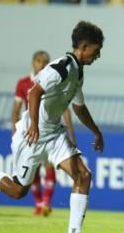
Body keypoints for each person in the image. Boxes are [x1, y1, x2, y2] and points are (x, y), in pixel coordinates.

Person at [0, 21, 106, 233]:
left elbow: (79, 107)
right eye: (97, 51)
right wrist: (34, 125)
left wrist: (96, 131)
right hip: (32, 136)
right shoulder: (61, 67)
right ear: (84, 46)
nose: (98, 56)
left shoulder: (78, 73)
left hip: (55, 134)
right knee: (18, 191)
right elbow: (34, 92)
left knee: (83, 176)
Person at [12, 50, 76, 216]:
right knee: (31, 168)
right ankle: (38, 203)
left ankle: (46, 202)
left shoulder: (52, 79)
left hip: (49, 129)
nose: (42, 63)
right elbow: (16, 110)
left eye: (45, 61)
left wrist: (71, 135)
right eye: (39, 60)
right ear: (32, 63)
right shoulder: (23, 83)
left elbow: (65, 109)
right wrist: (14, 130)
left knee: (49, 165)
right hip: (30, 130)